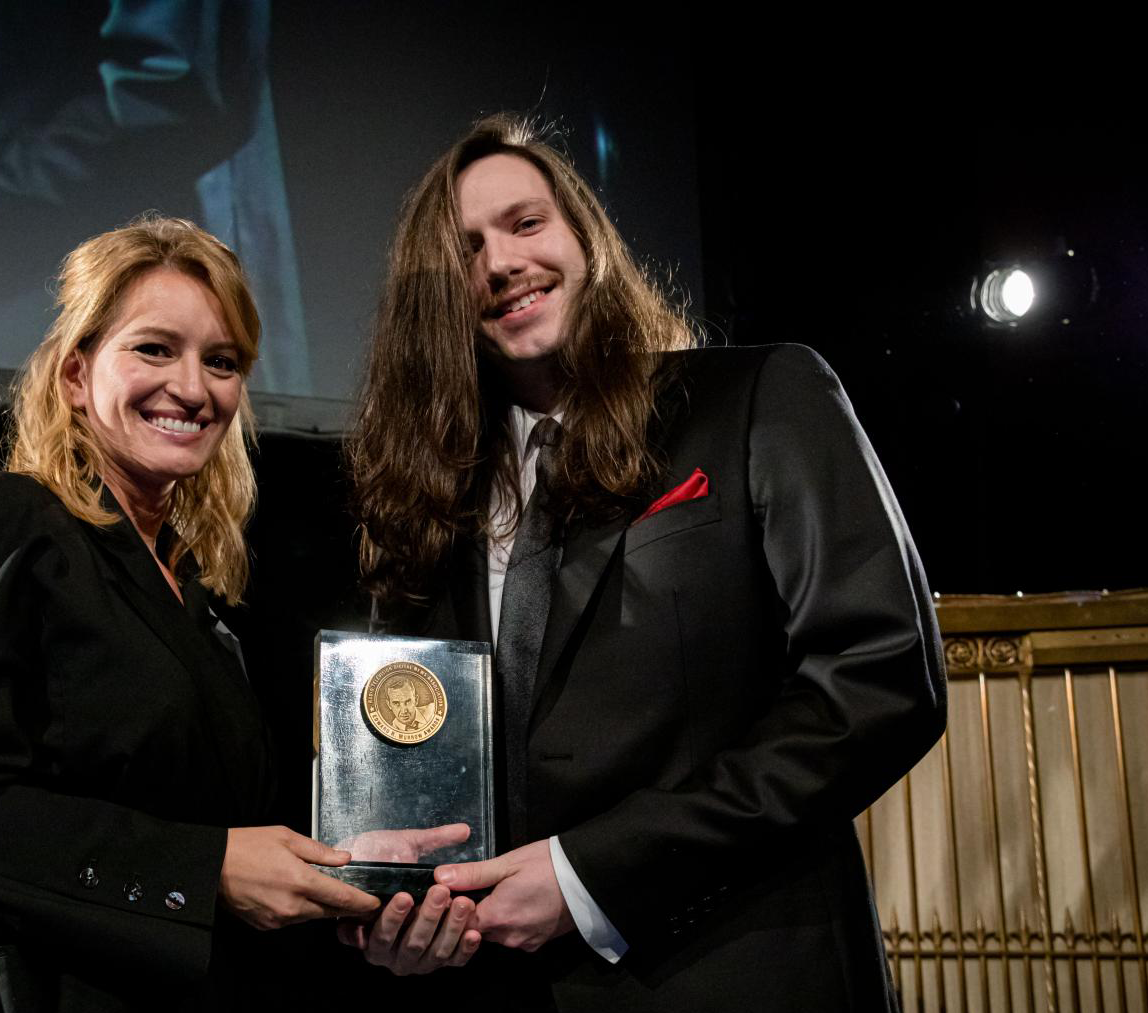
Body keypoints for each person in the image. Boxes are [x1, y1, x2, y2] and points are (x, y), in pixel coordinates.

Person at [340, 114, 946, 1008]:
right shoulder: (429, 501)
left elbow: (880, 680)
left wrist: (589, 875)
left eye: (526, 222)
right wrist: (399, 914)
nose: (502, 262)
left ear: (586, 235)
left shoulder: (759, 396)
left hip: (743, 971)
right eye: (465, 249)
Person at [0, 216, 379, 1012]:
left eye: (222, 361)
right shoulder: (4, 521)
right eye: (155, 348)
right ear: (75, 374)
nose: (194, 388)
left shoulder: (202, 605)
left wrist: (368, 866)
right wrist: (201, 872)